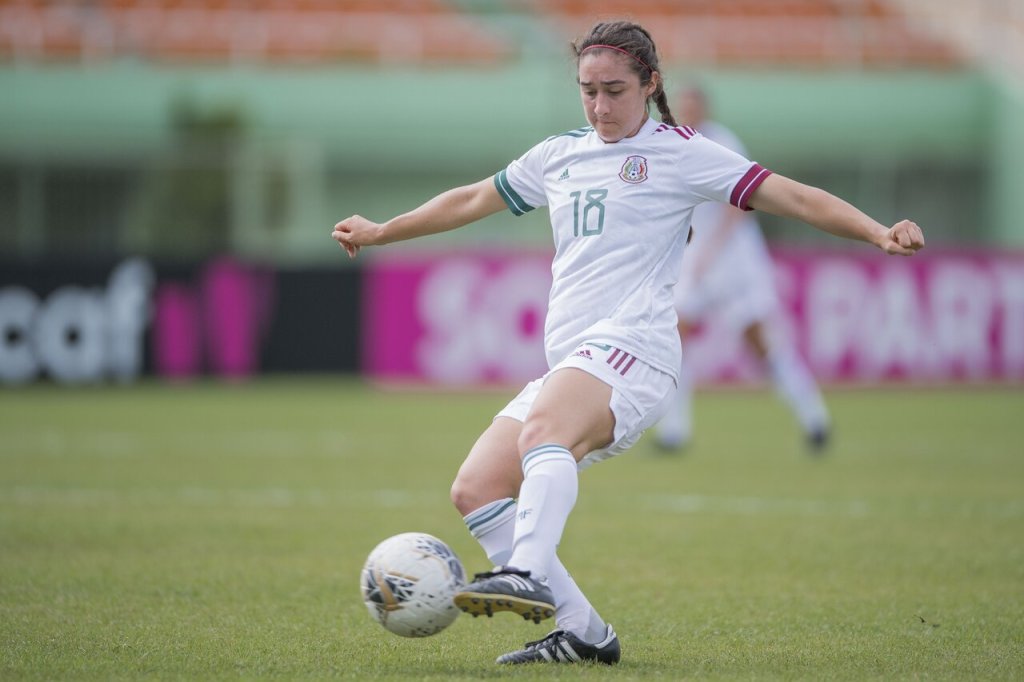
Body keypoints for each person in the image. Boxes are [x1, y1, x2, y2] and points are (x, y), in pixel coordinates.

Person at [332, 20, 924, 666]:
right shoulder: (558, 156)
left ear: (651, 83)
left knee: (544, 434)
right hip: (573, 358)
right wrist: (383, 230)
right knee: (475, 489)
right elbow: (474, 198)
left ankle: (525, 571)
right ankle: (584, 631)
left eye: (614, 90)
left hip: (637, 350)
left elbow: (792, 195)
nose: (600, 106)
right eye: (587, 91)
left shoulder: (682, 152)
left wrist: (876, 232)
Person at [654, 86, 831, 454]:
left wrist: (712, 248)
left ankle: (813, 417)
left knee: (759, 343)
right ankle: (675, 431)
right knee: (675, 338)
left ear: (705, 108)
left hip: (733, 260)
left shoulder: (723, 143)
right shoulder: (671, 146)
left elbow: (740, 203)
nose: (688, 111)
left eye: (693, 105)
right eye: (682, 105)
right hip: (696, 259)